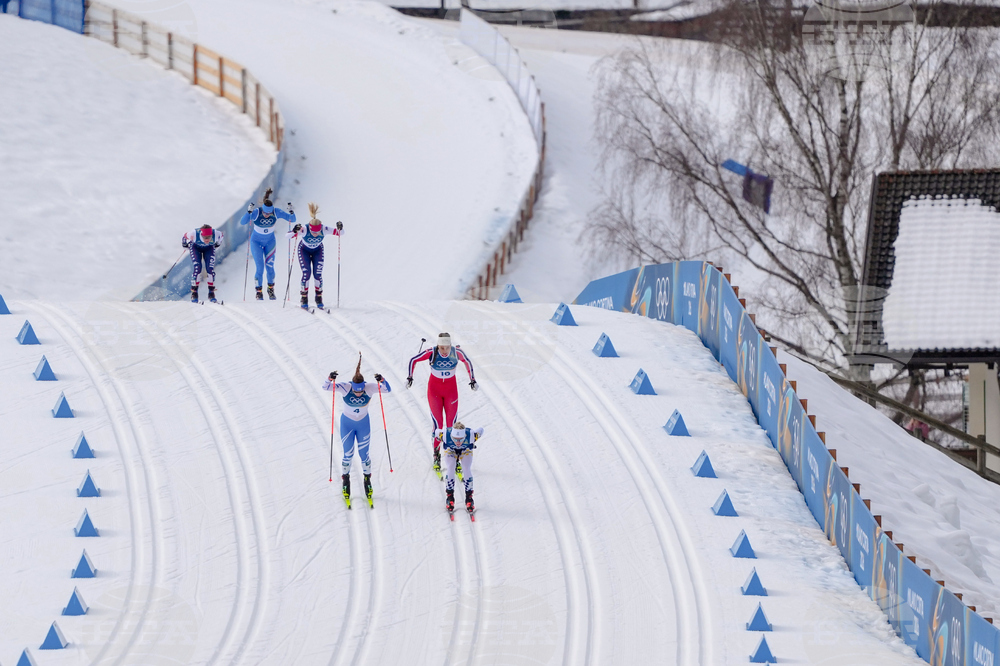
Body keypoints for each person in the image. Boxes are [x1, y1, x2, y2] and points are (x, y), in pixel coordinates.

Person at [322, 357, 390, 507]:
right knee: (348, 454)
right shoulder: (345, 387)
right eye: (356, 391)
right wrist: (330, 378)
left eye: (361, 391)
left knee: (364, 455)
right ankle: (345, 480)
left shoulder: (370, 387)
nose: (359, 394)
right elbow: (326, 387)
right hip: (347, 424)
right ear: (352, 386)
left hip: (363, 424)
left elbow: (387, 389)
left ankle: (367, 480)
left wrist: (382, 379)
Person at [406, 332, 477, 475]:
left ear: (450, 345)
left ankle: (455, 457)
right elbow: (413, 360)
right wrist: (410, 377)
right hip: (435, 392)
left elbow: (467, 362)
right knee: (438, 425)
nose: (444, 351)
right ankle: (436, 455)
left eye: (446, 347)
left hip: (451, 392)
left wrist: (473, 379)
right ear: (437, 345)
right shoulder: (432, 352)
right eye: (441, 347)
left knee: (452, 426)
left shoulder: (456, 352)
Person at [240, 187, 295, 300]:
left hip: (270, 242)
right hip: (256, 242)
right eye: (265, 213)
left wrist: (291, 211)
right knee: (260, 268)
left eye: (269, 213)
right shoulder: (256, 212)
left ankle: (271, 290)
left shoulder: (276, 212)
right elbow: (243, 222)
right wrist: (248, 212)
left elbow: (292, 219)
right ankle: (258, 291)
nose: (266, 215)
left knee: (270, 268)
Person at [288, 203, 342, 309]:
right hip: (304, 250)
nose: (315, 234)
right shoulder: (304, 229)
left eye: (317, 232)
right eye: (313, 232)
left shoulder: (324, 229)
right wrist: (294, 230)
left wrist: (340, 228)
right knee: (306, 273)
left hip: (318, 250)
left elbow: (341, 233)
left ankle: (319, 298)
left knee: (317, 274)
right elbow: (288, 236)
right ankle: (304, 298)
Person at [437, 422, 483, 513]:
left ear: (465, 436)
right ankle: (450, 497)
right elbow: (437, 431)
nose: (458, 442)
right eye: (455, 439)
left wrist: (475, 437)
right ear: (451, 436)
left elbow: (481, 429)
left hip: (465, 450)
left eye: (461, 439)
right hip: (450, 450)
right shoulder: (445, 434)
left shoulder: (471, 435)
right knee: (450, 467)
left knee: (466, 468)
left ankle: (469, 498)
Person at [182, 224, 223, 303]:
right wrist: (184, 244)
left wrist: (218, 244)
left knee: (210, 269)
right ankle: (194, 293)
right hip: (195, 248)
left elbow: (221, 236)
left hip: (209, 248)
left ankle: (211, 293)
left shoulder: (216, 233)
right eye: (205, 237)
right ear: (201, 235)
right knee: (197, 268)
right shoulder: (193, 234)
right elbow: (184, 236)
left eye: (209, 237)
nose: (207, 239)